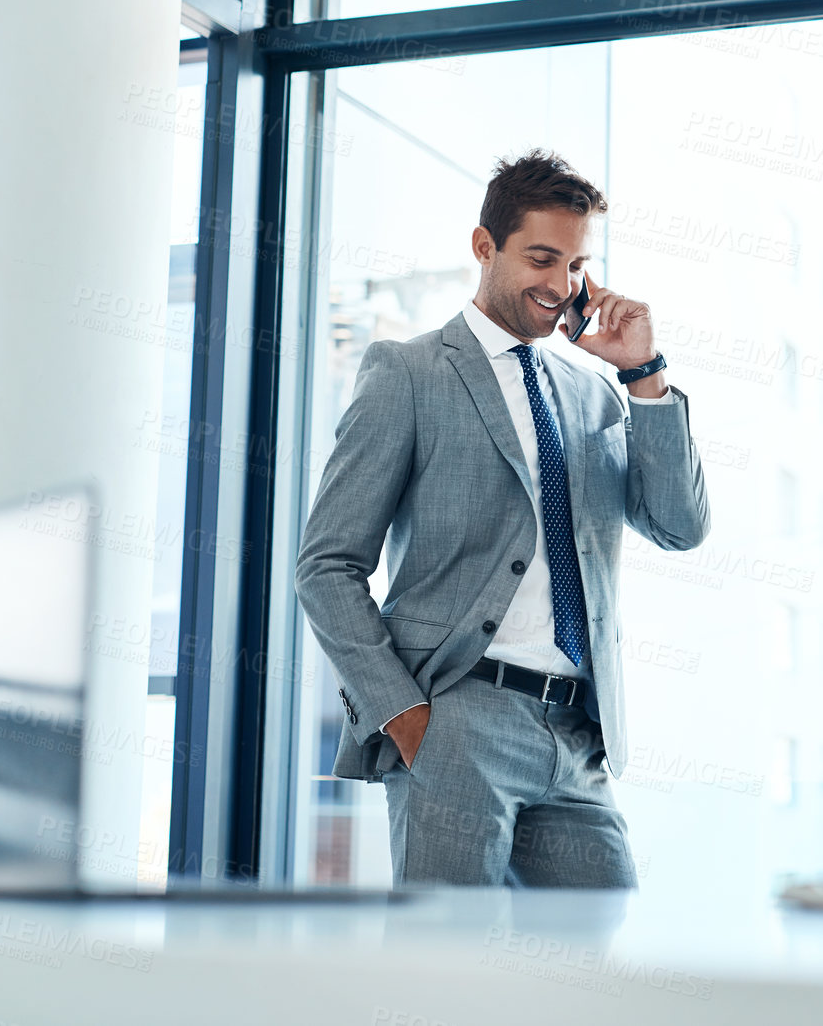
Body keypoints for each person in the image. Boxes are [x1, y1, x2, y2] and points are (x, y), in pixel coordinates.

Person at [295, 149, 711, 887]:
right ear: (484, 246)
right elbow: (327, 566)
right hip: (458, 717)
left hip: (578, 732)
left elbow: (679, 526)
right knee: (450, 975)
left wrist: (643, 374)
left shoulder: (596, 397)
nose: (560, 284)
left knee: (596, 966)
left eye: (577, 264)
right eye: (542, 257)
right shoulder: (409, 373)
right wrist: (404, 715)